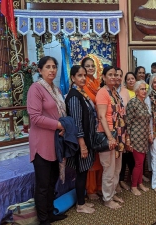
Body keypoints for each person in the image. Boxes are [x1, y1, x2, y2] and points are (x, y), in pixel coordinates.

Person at [27, 56, 67, 225]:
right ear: (40, 70)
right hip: (41, 143)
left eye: (54, 67)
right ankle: (43, 219)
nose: (52, 70)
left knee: (52, 181)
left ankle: (50, 213)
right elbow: (35, 117)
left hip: (55, 143)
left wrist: (64, 125)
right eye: (48, 67)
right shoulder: (36, 89)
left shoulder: (56, 90)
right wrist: (58, 124)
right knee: (43, 185)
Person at [65, 65, 96, 214]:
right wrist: (82, 145)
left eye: (84, 75)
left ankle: (81, 201)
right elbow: (76, 123)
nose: (83, 78)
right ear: (72, 78)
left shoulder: (81, 93)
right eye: (79, 75)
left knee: (83, 171)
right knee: (81, 172)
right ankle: (80, 205)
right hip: (80, 142)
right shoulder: (74, 96)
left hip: (87, 139)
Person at [96, 66, 126, 209]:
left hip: (118, 135)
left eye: (115, 75)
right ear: (103, 77)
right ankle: (107, 199)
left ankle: (112, 193)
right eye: (110, 75)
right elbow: (102, 116)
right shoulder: (102, 92)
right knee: (108, 169)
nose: (114, 77)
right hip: (108, 136)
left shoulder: (114, 92)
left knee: (116, 169)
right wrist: (110, 137)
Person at [81, 56, 103, 200]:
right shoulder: (82, 86)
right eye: (87, 66)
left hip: (99, 126)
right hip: (89, 126)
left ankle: (99, 186)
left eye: (92, 66)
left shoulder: (97, 83)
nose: (90, 68)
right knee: (91, 160)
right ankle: (90, 189)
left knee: (100, 158)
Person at [125, 80, 151, 196]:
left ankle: (140, 183)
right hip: (135, 138)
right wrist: (128, 139)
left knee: (141, 163)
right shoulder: (133, 103)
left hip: (144, 137)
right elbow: (128, 122)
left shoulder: (144, 103)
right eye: (141, 89)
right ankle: (134, 186)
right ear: (136, 91)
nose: (144, 91)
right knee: (139, 163)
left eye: (145, 89)